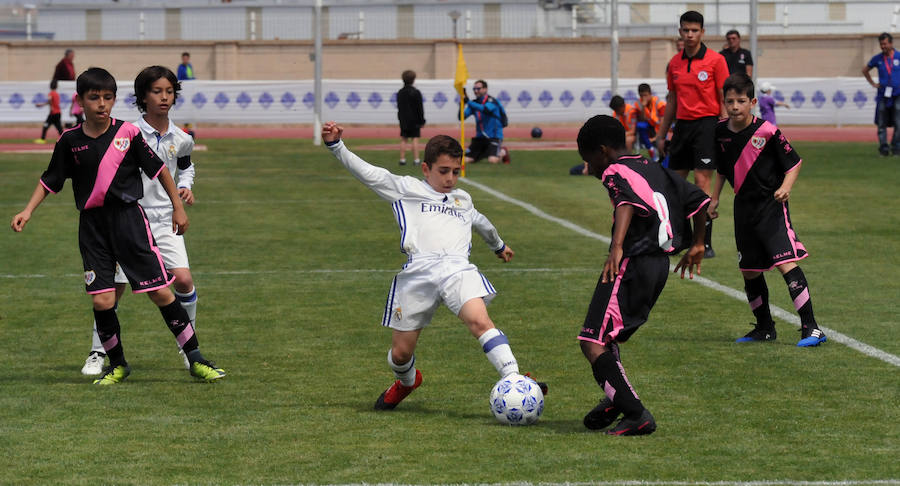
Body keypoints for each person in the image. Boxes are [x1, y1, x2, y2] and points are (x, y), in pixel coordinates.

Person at [10, 67, 224, 385]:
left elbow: (160, 171)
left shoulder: (128, 134)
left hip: (129, 221)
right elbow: (50, 179)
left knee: (160, 292)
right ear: (79, 100)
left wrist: (178, 207)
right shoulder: (70, 141)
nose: (102, 104)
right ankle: (118, 363)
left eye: (108, 97)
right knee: (103, 299)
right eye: (94, 97)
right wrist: (27, 211)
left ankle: (195, 358)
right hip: (93, 228)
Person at [320, 121, 545, 410]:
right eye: (443, 171)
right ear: (426, 169)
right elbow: (370, 174)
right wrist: (336, 146)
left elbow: (482, 223)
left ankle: (514, 377)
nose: (451, 178)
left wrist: (498, 245)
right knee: (400, 354)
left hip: (457, 270)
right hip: (418, 274)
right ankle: (407, 381)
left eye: (456, 171)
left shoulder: (463, 199)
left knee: (480, 320)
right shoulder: (407, 189)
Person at [576, 115, 709, 436]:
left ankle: (635, 413)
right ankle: (617, 399)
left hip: (633, 262)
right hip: (658, 266)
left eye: (588, 160)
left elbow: (625, 201)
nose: (587, 168)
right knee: (607, 338)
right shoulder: (653, 167)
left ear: (604, 151)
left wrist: (617, 247)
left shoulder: (614, 169)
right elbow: (700, 199)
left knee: (592, 341)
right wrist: (699, 243)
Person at [80, 65, 200, 376]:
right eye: (157, 91)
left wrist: (184, 188)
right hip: (130, 219)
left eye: (169, 91)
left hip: (165, 220)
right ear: (142, 98)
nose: (164, 97)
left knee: (184, 281)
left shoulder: (182, 137)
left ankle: (189, 349)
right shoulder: (125, 133)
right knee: (113, 290)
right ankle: (97, 353)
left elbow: (185, 166)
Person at [709, 73, 827, 348]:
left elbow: (794, 163)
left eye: (741, 101)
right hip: (743, 208)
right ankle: (764, 328)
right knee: (749, 269)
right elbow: (723, 170)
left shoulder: (768, 132)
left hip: (770, 206)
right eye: (730, 101)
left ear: (752, 102)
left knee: (785, 263)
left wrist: (786, 187)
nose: (735, 106)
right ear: (724, 103)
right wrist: (714, 199)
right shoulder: (720, 132)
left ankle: (812, 328)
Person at [656, 10, 729, 258]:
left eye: (694, 30)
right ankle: (680, 237)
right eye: (686, 30)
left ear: (702, 32)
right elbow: (672, 101)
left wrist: (725, 130)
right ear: (680, 32)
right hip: (682, 128)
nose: (690, 34)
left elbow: (723, 99)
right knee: (674, 185)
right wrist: (661, 134)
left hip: (707, 126)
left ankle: (704, 242)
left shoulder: (716, 61)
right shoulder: (674, 63)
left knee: (701, 183)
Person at [862, 32, 900, 156]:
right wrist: (873, 83)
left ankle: (896, 147)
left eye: (885, 43)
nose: (883, 46)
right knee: (881, 122)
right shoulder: (877, 58)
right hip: (883, 95)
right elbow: (865, 70)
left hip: (898, 94)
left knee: (898, 121)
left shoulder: (899, 57)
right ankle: (883, 148)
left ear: (891, 43)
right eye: (881, 44)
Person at [463, 79, 509, 164]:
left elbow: (485, 109)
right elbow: (461, 117)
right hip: (480, 138)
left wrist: (468, 102)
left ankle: (503, 152)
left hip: (493, 137)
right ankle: (484, 153)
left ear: (485, 89)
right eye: (474, 89)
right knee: (465, 160)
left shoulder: (492, 101)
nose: (476, 91)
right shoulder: (473, 103)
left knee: (492, 160)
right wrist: (461, 105)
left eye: (478, 88)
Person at [396, 69, 425, 166]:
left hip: (403, 119)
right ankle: (416, 159)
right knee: (415, 138)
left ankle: (402, 159)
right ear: (413, 80)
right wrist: (422, 120)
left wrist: (400, 118)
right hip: (414, 120)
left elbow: (399, 107)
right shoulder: (416, 92)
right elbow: (420, 108)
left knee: (404, 138)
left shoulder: (400, 92)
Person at [634, 83, 666, 161]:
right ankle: (650, 148)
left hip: (659, 127)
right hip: (649, 124)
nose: (643, 98)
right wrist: (643, 107)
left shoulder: (659, 103)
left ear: (650, 94)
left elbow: (663, 122)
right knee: (639, 125)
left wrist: (657, 136)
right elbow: (641, 119)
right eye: (641, 96)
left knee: (662, 145)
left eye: (645, 95)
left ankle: (662, 156)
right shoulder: (638, 103)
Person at [34, 79, 62, 144]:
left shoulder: (51, 93)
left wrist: (41, 105)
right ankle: (64, 140)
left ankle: (42, 139)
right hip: (58, 113)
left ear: (50, 86)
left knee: (45, 125)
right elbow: (53, 102)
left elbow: (49, 100)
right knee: (59, 128)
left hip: (53, 113)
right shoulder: (57, 94)